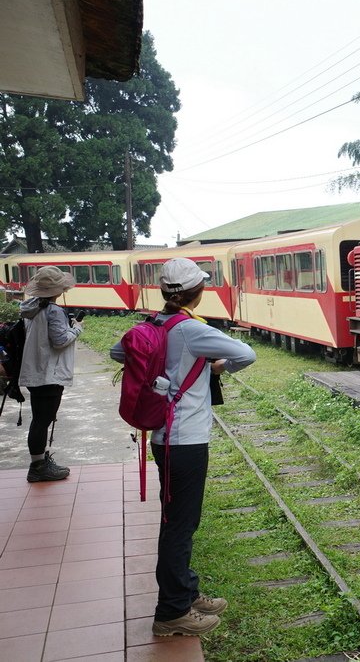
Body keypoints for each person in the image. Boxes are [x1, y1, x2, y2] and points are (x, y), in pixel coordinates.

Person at [111, 258, 256, 637]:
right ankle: (171, 612)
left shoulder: (152, 324)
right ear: (198, 292)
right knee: (179, 524)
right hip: (186, 440)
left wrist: (164, 373)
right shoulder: (192, 330)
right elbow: (246, 354)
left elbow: (117, 352)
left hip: (164, 436)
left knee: (178, 520)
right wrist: (213, 368)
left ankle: (186, 592)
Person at [20, 266, 83, 483]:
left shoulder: (31, 307)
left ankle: (38, 462)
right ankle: (38, 467)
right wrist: (76, 329)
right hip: (49, 373)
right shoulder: (53, 311)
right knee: (42, 420)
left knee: (39, 419)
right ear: (58, 290)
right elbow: (60, 340)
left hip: (35, 371)